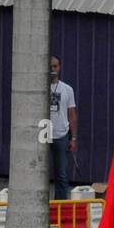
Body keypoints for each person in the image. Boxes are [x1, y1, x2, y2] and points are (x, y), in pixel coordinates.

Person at [48, 56, 78, 200]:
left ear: (59, 67)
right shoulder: (39, 88)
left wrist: (73, 138)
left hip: (61, 135)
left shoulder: (67, 89)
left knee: (61, 174)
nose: (52, 69)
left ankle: (60, 205)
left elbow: (72, 115)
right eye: (50, 67)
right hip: (43, 135)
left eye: (55, 66)